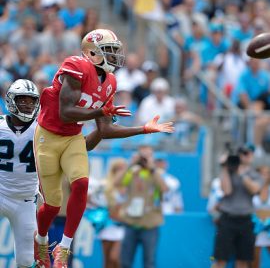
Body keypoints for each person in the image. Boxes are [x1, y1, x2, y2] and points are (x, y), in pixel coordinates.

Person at [33, 28, 174, 268]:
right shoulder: (77, 66)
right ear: (91, 53)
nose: (115, 56)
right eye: (109, 50)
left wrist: (144, 129)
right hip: (48, 135)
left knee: (81, 184)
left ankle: (64, 249)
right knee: (54, 205)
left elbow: (105, 130)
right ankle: (41, 239)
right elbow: (66, 113)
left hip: (73, 137)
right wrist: (101, 111)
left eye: (115, 51)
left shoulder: (110, 81)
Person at [0, 79, 40, 268]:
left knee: (25, 260)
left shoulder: (43, 128)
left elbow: (82, 144)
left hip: (25, 200)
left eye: (31, 101)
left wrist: (100, 127)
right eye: (22, 99)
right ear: (10, 100)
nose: (27, 104)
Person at [115, 145, 168, 268]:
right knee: (125, 262)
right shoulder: (132, 172)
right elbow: (117, 183)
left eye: (148, 155)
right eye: (142, 155)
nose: (144, 158)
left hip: (150, 224)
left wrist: (152, 168)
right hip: (131, 223)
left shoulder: (156, 173)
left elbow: (164, 188)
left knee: (149, 262)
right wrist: (130, 164)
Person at [211, 144, 263, 268]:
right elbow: (227, 191)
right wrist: (225, 167)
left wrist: (242, 173)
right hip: (228, 219)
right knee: (220, 259)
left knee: (243, 260)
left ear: (252, 156)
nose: (244, 156)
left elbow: (254, 189)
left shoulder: (255, 174)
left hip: (245, 220)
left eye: (247, 153)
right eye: (242, 153)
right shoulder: (228, 172)